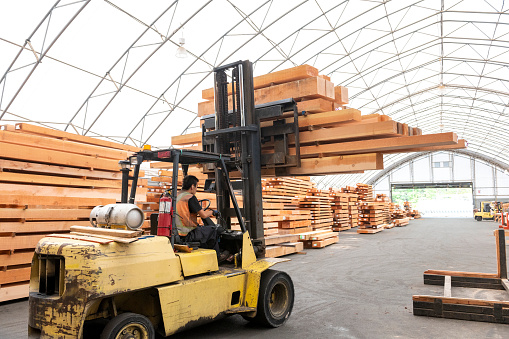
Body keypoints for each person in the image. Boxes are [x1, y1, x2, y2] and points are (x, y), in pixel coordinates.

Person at [175, 175, 224, 258]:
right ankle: (217, 257)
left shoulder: (176, 196)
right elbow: (204, 215)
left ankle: (205, 254)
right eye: (196, 186)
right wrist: (213, 212)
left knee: (202, 230)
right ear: (192, 186)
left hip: (177, 232)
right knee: (213, 231)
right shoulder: (190, 197)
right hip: (187, 234)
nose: (196, 189)